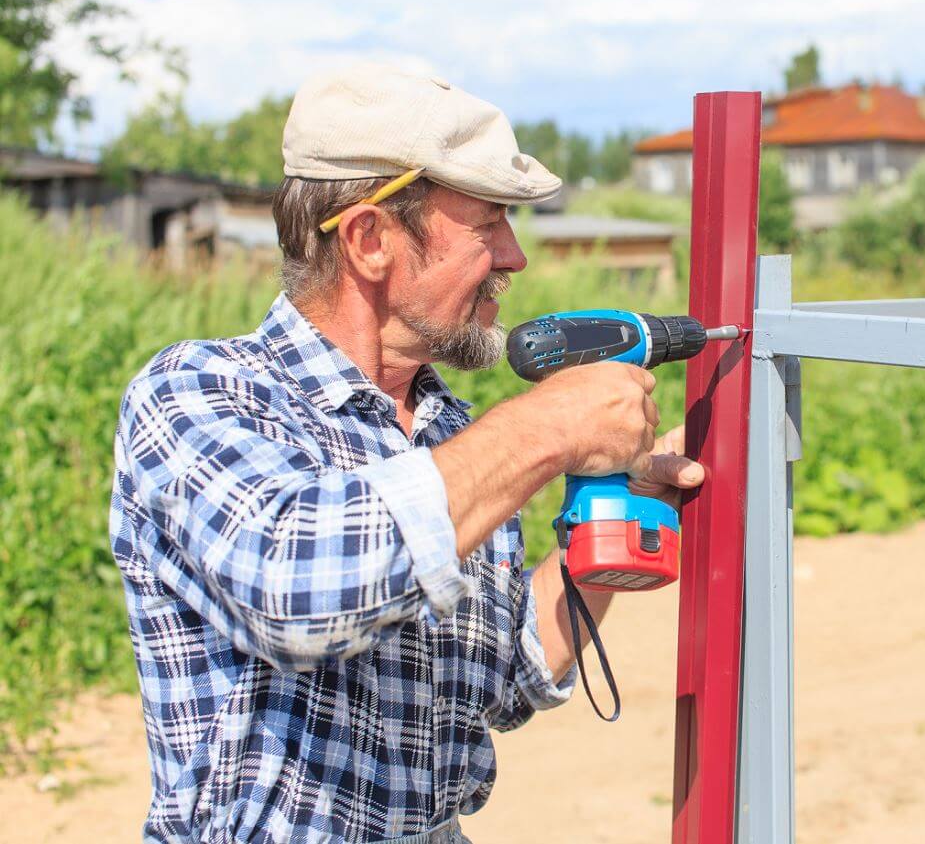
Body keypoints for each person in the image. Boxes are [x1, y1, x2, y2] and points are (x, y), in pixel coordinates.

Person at [108, 63, 705, 844]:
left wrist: (620, 502)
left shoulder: (449, 434)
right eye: (488, 224)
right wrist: (545, 427)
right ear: (370, 239)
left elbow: (508, 676)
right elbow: (300, 590)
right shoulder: (197, 394)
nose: (516, 256)